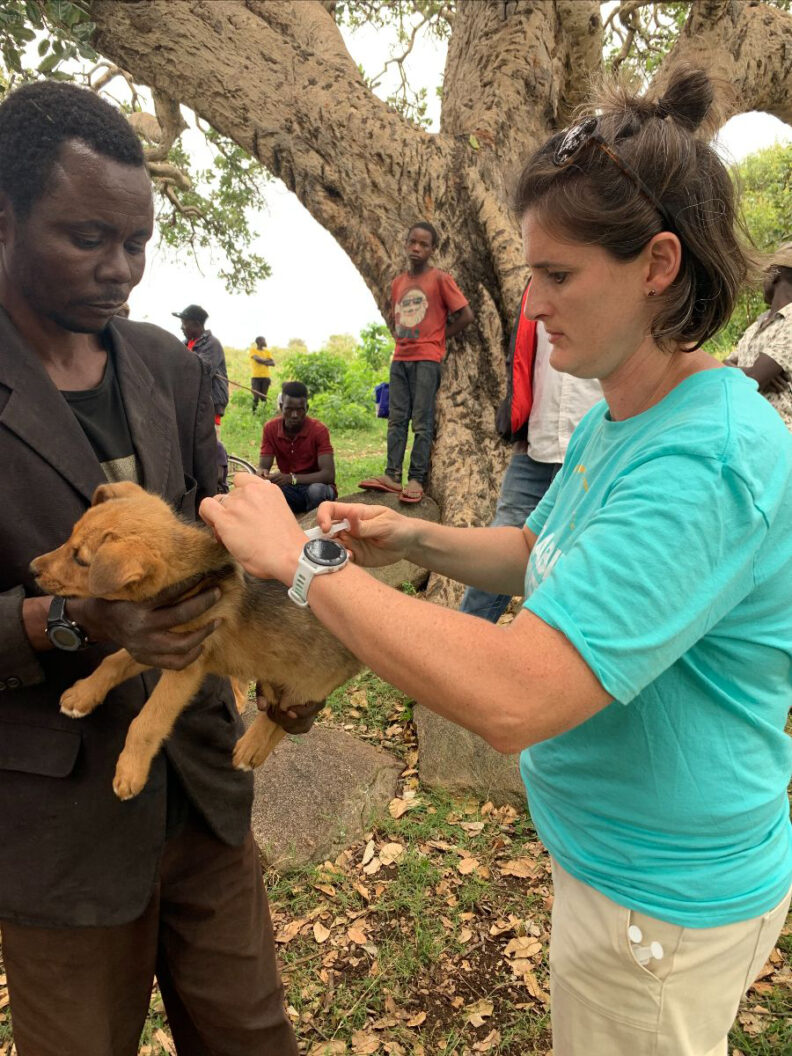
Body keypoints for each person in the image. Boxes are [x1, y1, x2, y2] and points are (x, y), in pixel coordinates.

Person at [201, 67, 792, 1056]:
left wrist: (302, 559)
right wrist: (417, 539)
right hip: (614, 868)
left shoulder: (708, 458)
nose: (536, 307)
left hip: (660, 905)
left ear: (657, 263)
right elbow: (541, 550)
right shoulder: (630, 413)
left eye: (557, 277)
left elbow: (520, 693)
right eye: (532, 280)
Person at [0, 81, 298, 1055]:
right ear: (5, 217)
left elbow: (229, 522)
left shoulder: (162, 362)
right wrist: (73, 622)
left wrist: (307, 618)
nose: (121, 269)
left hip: (205, 793)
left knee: (252, 1036)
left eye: (137, 243)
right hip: (60, 831)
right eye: (89, 238)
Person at [461, 291, 600, 621]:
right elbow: (525, 359)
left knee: (576, 562)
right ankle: (466, 641)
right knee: (498, 549)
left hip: (592, 445)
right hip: (537, 444)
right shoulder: (536, 290)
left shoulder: (606, 278)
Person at [358, 221, 474, 503]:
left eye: (423, 244)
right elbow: (396, 317)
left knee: (421, 422)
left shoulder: (440, 280)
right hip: (400, 359)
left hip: (427, 360)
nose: (416, 248)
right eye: (413, 242)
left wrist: (438, 338)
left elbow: (466, 315)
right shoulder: (398, 283)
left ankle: (416, 479)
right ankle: (392, 475)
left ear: (433, 249)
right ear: (406, 243)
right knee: (396, 419)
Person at [731, 242, 792, 430]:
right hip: (748, 431)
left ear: (773, 275)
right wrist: (750, 371)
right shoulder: (757, 325)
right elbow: (720, 367)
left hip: (779, 436)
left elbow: (753, 378)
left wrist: (751, 374)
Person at [258, 381, 337, 513]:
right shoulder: (270, 429)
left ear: (307, 408)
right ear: (281, 407)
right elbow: (263, 467)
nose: (294, 415)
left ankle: (315, 522)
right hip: (290, 490)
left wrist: (292, 478)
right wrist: (262, 473)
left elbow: (328, 475)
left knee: (316, 491)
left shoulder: (319, 430)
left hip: (316, 487)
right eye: (289, 409)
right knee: (265, 491)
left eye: (299, 410)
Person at [172, 303, 229, 429]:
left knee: (209, 445)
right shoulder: (184, 345)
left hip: (208, 406)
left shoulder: (212, 344)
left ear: (196, 324)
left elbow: (201, 370)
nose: (182, 327)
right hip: (191, 405)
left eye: (185, 323)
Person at [249, 334, 275, 413]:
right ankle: (254, 413)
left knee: (263, 398)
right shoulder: (253, 350)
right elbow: (257, 359)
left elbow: (273, 363)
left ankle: (263, 413)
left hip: (266, 378)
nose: (265, 342)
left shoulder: (267, 351)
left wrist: (262, 360)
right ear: (259, 342)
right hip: (256, 377)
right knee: (256, 397)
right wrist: (267, 361)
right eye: (264, 340)